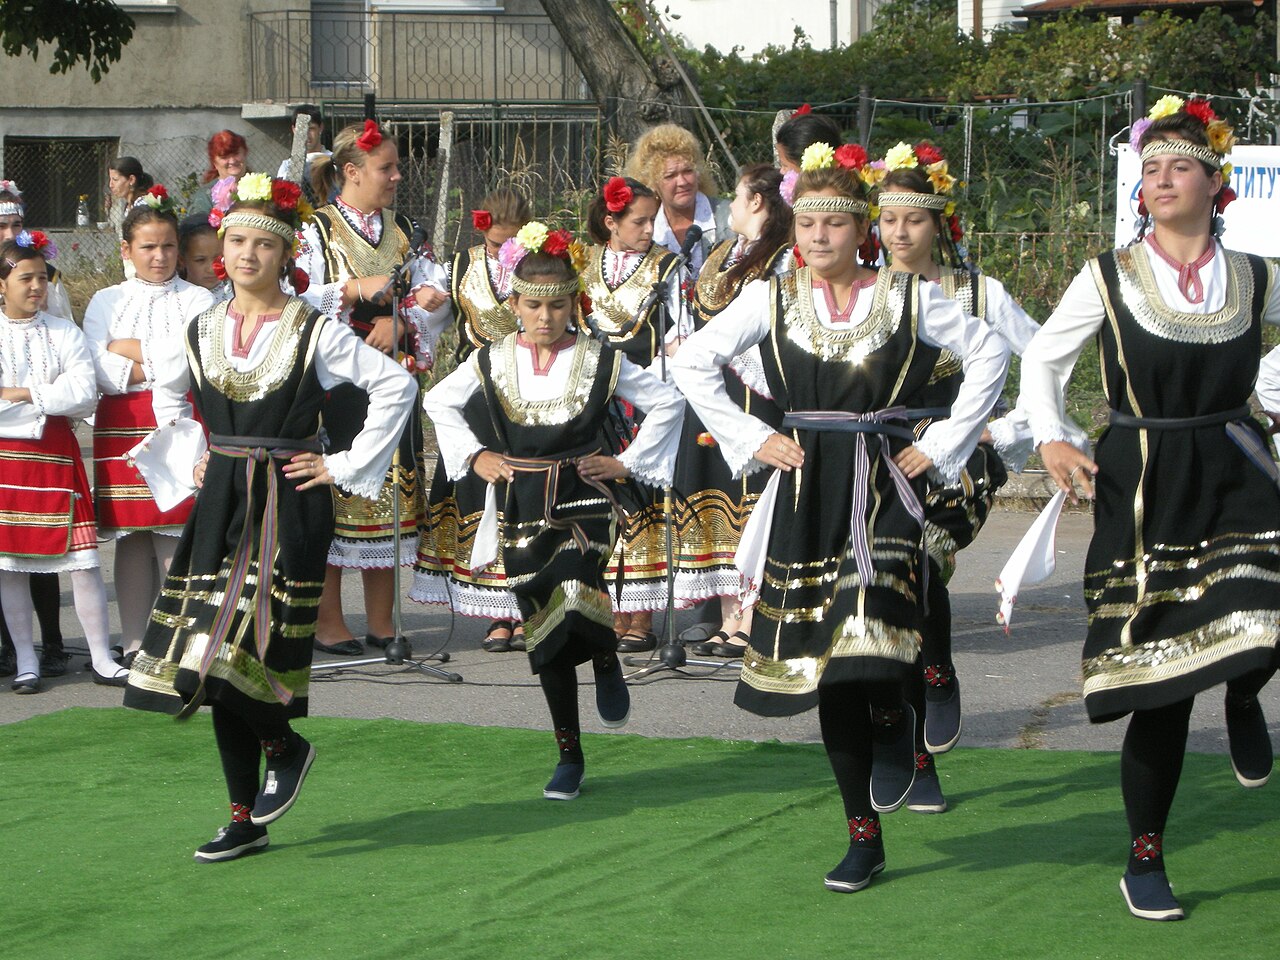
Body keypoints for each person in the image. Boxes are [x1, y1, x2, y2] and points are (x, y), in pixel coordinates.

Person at [672, 142, 1008, 894]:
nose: (819, 237)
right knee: (828, 669)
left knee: (874, 625)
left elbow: (989, 354)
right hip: (808, 485)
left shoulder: (909, 295)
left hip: (887, 477)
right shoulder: (771, 297)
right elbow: (692, 360)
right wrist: (751, 435)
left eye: (835, 224)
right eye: (809, 224)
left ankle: (896, 717)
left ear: (862, 231)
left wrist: (947, 442)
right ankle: (864, 833)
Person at [1018, 97, 1280, 922]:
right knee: (1163, 683)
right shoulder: (1109, 274)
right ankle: (1145, 855)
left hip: (1235, 459)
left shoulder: (1256, 276)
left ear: (1215, 182)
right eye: (1151, 169)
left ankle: (1246, 690)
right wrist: (1054, 439)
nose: (1162, 179)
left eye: (1180, 166)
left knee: (1269, 610)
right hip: (1146, 480)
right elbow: (1042, 359)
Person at [123, 176, 416, 862]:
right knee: (203, 654)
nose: (246, 255)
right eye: (235, 242)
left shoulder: (313, 330)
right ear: (219, 248)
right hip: (224, 493)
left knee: (241, 653)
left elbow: (395, 384)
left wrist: (340, 466)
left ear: (286, 255)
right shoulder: (196, 328)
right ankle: (248, 808)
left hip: (289, 497)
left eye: (262, 243)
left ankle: (282, 749)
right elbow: (168, 395)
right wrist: (191, 450)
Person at [423, 224, 684, 800]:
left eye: (558, 305)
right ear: (514, 304)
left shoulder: (600, 357)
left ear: (576, 305)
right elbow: (437, 399)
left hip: (585, 496)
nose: (545, 317)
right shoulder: (490, 358)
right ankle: (570, 748)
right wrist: (478, 454)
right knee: (543, 623)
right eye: (534, 305)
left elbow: (667, 400)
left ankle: (606, 657)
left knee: (571, 590)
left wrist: (625, 463)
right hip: (521, 498)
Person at [873, 139, 1049, 813]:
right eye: (887, 219)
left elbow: (1045, 360)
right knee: (882, 597)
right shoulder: (863, 295)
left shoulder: (979, 292)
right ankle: (917, 759)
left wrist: (1001, 430)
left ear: (938, 222)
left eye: (911, 219)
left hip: (958, 458)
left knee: (916, 557)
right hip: (882, 453)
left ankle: (939, 670)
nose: (898, 232)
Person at [297, 121, 451, 656]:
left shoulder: (405, 228)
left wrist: (405, 322)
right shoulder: (314, 232)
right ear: (351, 172)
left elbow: (439, 295)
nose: (396, 176)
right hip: (336, 389)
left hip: (393, 380)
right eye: (387, 167)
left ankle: (383, 622)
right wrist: (351, 290)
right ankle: (328, 620)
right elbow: (294, 299)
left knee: (389, 494)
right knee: (338, 497)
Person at [84, 191, 217, 666]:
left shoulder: (199, 298)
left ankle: (181, 639)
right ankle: (136, 640)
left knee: (175, 532)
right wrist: (154, 361)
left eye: (166, 247)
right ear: (126, 250)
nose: (159, 257)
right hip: (120, 425)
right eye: (147, 247)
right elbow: (95, 365)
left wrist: (129, 349)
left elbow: (194, 356)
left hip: (177, 421)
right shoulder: (106, 300)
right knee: (132, 535)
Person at [0, 232, 131, 693]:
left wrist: (20, 394)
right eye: (25, 278)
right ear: (2, 284)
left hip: (56, 456)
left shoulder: (64, 332)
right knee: (9, 565)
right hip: (6, 462)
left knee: (83, 561)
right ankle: (26, 660)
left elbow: (81, 395)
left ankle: (100, 657)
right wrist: (45, 400)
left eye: (41, 277)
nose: (36, 286)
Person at [674, 163, 792, 658]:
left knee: (747, 499)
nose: (730, 207)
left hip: (753, 393)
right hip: (711, 392)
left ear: (758, 202)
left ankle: (752, 616)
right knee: (713, 497)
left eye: (737, 197)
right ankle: (726, 616)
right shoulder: (723, 253)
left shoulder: (783, 260)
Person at [411, 187, 533, 652]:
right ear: (482, 230)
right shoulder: (459, 267)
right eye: (497, 243)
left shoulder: (538, 261)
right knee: (481, 500)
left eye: (513, 241)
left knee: (521, 501)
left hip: (527, 394)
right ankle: (495, 614)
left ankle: (526, 605)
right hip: (476, 397)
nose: (505, 251)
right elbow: (436, 318)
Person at [580, 176, 686, 651]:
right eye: (639, 221)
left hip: (642, 396)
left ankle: (639, 616)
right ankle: (603, 608)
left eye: (652, 220)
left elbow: (677, 333)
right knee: (598, 502)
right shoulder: (581, 264)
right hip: (589, 396)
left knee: (641, 503)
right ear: (611, 222)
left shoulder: (668, 268)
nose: (649, 230)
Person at [624, 123, 732, 272]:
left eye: (688, 171)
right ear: (652, 183)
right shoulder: (648, 228)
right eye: (670, 176)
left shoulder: (729, 218)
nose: (682, 182)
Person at [187, 130, 250, 221]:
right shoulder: (204, 198)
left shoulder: (265, 186)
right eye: (224, 157)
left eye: (236, 154)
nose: (232, 161)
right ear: (214, 162)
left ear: (245, 153)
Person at [275, 105, 330, 206]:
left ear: (320, 128)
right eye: (301, 129)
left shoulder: (333, 161)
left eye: (311, 128)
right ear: (293, 129)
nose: (306, 134)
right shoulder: (287, 166)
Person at [178, 214, 231, 300]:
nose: (211, 269)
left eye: (218, 258)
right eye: (200, 260)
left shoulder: (235, 294)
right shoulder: (177, 298)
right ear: (182, 260)